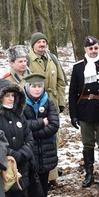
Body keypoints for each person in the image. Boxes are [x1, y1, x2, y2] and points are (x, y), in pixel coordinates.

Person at [69, 36, 99, 189]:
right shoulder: (78, 67)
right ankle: (89, 174)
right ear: (85, 49)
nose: (93, 51)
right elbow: (72, 93)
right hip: (84, 109)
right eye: (90, 48)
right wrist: (74, 114)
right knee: (87, 144)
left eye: (96, 48)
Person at [28, 32, 66, 186]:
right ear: (33, 45)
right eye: (39, 42)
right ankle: (37, 175)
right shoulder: (28, 60)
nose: (42, 45)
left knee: (53, 138)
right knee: (36, 139)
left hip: (52, 102)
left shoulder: (52, 59)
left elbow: (61, 81)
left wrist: (61, 102)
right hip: (34, 104)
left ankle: (52, 176)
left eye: (44, 42)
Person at [23, 73, 60, 197]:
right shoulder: (21, 103)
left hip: (46, 149)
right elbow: (23, 126)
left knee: (44, 178)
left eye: (39, 86)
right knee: (28, 179)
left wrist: (35, 130)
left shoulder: (49, 102)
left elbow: (53, 125)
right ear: (28, 87)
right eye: (34, 86)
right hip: (29, 148)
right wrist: (40, 123)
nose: (37, 90)